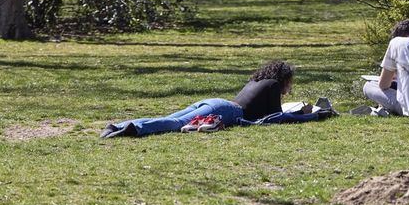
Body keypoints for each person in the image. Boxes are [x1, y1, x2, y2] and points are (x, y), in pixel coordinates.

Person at [100, 60, 320, 138]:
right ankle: (134, 128)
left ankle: (116, 125)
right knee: (177, 124)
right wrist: (304, 115)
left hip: (215, 101)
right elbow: (275, 117)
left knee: (172, 118)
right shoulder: (272, 86)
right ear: (284, 79)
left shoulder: (258, 81)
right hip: (228, 111)